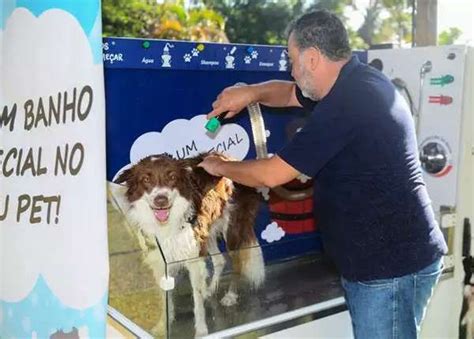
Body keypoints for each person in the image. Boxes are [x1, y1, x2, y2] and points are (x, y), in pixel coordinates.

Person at [198, 9, 448, 339]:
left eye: (292, 59)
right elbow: (289, 93)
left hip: (390, 269)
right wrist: (252, 93)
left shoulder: (349, 103)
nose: (291, 69)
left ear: (312, 58)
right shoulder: (352, 83)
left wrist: (218, 166)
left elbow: (271, 174)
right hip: (383, 261)